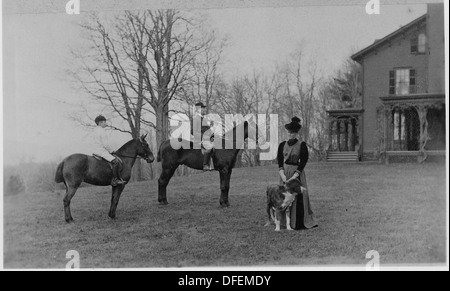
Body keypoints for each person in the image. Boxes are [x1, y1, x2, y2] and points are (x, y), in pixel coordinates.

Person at [277, 116, 318, 230]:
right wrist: (282, 173)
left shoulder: (302, 145)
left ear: (296, 134)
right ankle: (283, 222)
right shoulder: (282, 145)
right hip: (285, 172)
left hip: (296, 172)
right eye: (290, 133)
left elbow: (304, 160)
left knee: (299, 195)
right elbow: (280, 159)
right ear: (287, 133)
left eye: (293, 133)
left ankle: (299, 222)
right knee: (284, 195)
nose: (291, 135)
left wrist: (296, 174)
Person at [92, 115, 125, 186]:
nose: (105, 123)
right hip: (101, 151)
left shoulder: (95, 130)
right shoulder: (102, 131)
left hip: (96, 150)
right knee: (116, 162)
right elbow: (105, 144)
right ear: (100, 123)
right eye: (104, 122)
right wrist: (112, 151)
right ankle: (115, 180)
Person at [192, 102, 214, 171]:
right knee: (209, 147)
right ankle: (205, 165)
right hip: (199, 140)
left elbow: (208, 131)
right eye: (203, 108)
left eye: (204, 108)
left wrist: (213, 136)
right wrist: (204, 137)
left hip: (206, 139)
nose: (204, 110)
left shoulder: (203, 119)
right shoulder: (196, 119)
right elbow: (193, 131)